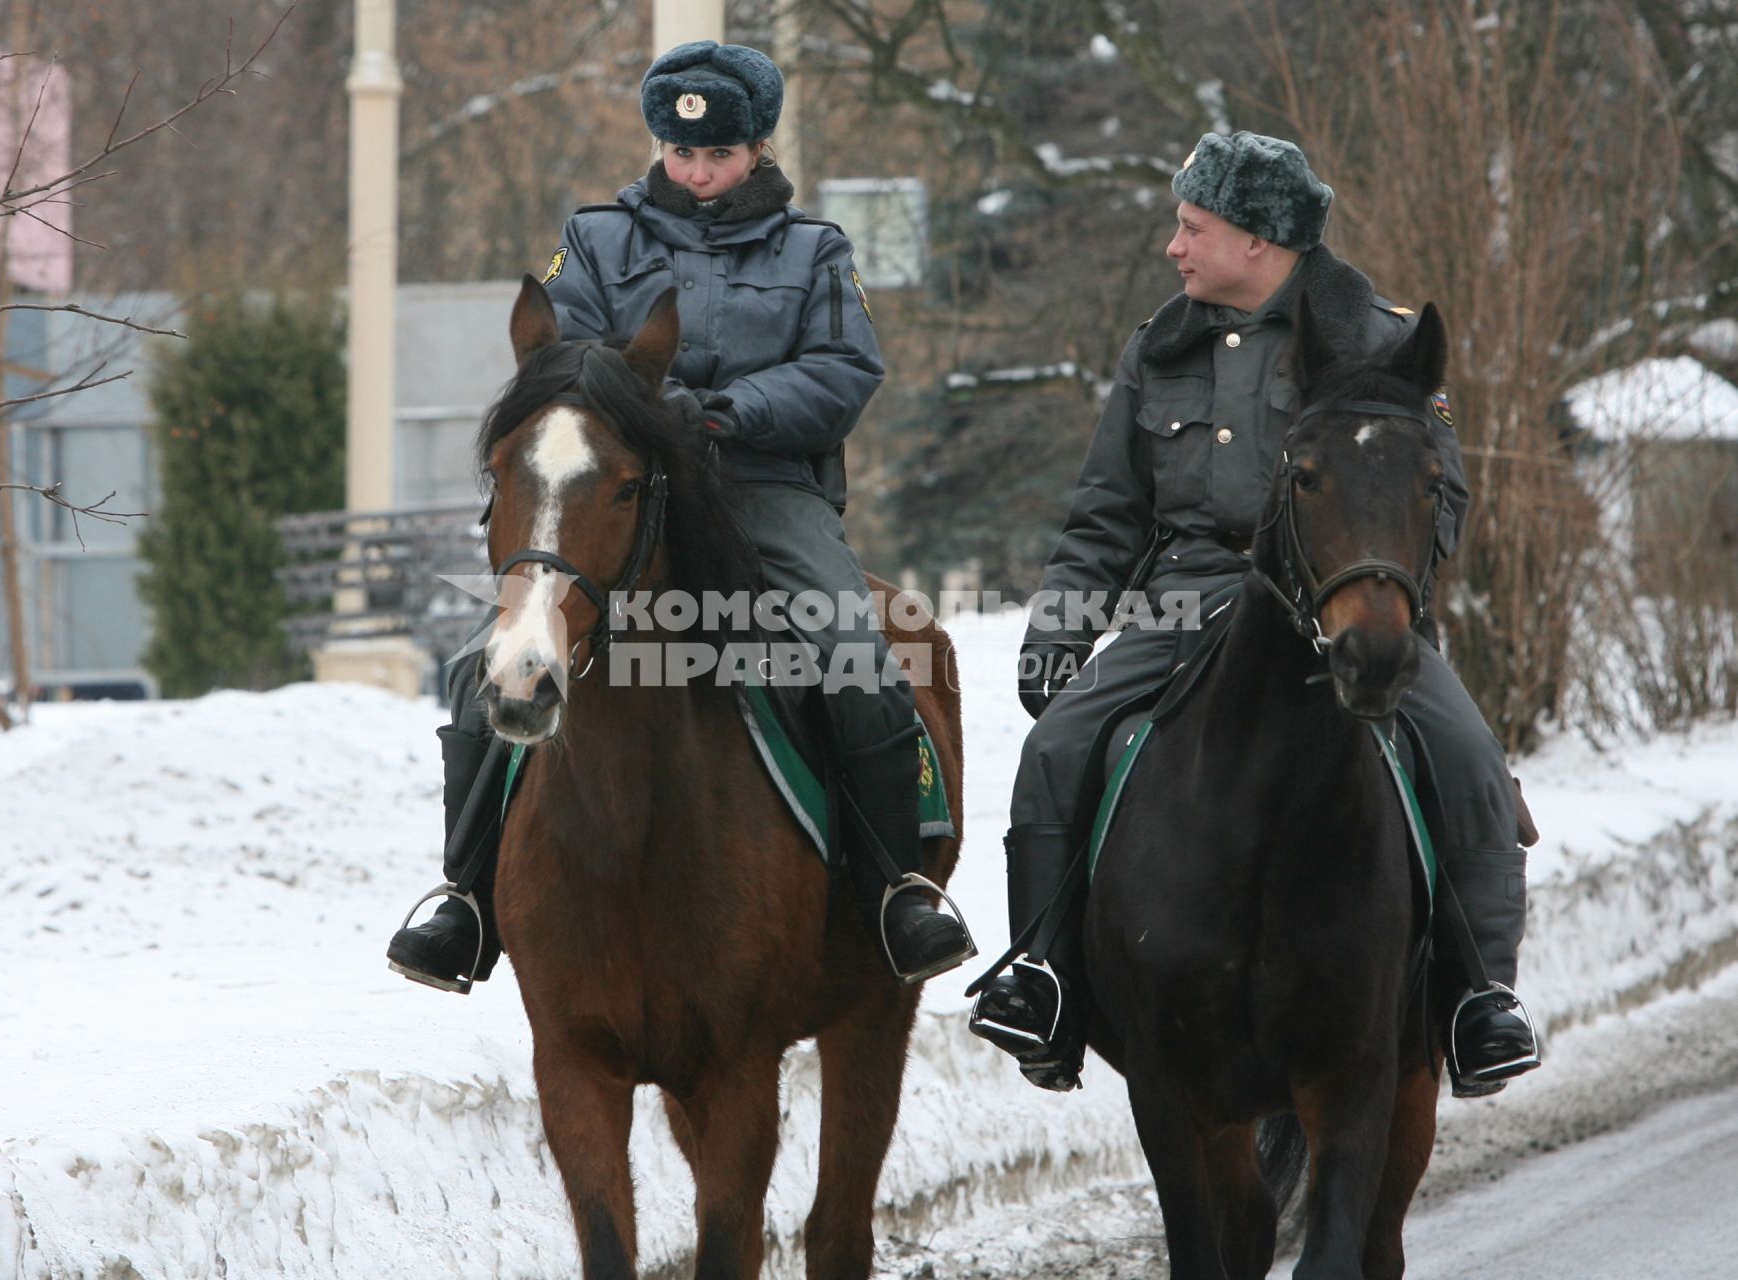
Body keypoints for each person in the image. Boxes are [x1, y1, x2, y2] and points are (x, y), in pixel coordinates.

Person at [385, 40, 975, 991]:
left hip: (763, 491)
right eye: (680, 153)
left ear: (757, 149)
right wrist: (632, 412)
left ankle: (894, 889)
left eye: (720, 155)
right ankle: (466, 901)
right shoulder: (592, 239)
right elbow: (557, 360)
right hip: (614, 491)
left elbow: (845, 370)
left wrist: (734, 410)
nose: (697, 173)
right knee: (477, 671)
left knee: (857, 655)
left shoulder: (815, 250)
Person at [966, 131, 1541, 1095]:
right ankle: (1045, 976)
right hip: (1185, 609)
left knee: (1472, 759)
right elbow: (1109, 508)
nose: (1174, 247)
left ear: (1259, 243)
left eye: (1193, 227)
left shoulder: (1382, 340)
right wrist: (1060, 628)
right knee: (1058, 749)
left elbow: (1439, 502)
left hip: (1342, 613)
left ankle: (1480, 998)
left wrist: (1375, 598)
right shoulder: (1160, 345)